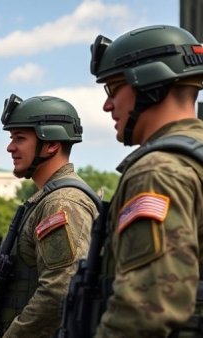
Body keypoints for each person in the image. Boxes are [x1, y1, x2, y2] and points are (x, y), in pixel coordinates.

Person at [87, 24, 203, 337]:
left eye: (113, 89)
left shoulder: (157, 172)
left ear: (147, 82)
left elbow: (144, 311)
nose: (107, 105)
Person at [0, 95, 99, 337]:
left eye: (20, 138)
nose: (10, 147)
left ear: (51, 144)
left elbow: (59, 290)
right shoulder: (48, 199)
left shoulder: (61, 202)